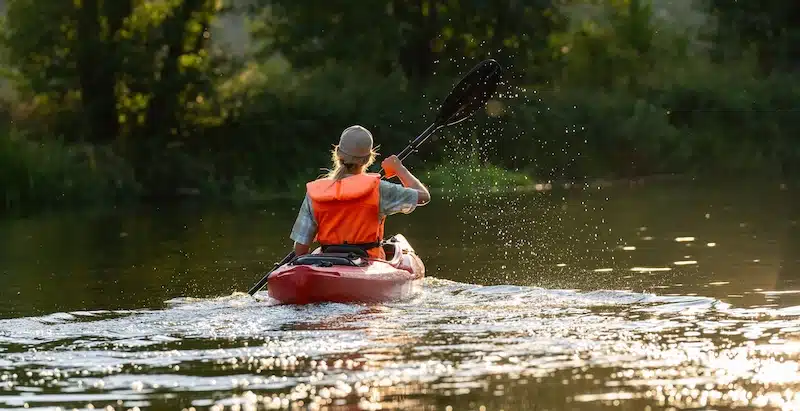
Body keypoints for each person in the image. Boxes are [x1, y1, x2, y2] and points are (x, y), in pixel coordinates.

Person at [290, 125, 431, 259]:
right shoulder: (379, 189)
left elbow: (301, 249)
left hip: (328, 261)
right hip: (369, 263)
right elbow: (424, 196)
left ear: (338, 152)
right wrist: (399, 169)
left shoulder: (315, 193)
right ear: (368, 159)